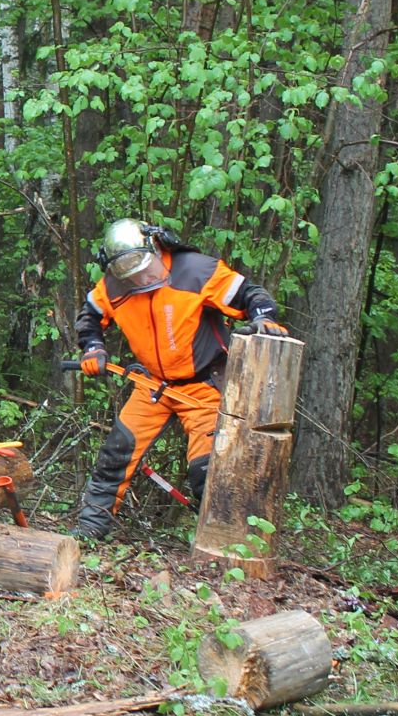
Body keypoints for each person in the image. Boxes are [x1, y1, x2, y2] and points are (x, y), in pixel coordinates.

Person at [69, 218, 286, 540]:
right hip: (153, 385)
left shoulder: (196, 271)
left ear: (156, 247)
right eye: (133, 275)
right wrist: (93, 347)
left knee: (208, 471)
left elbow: (249, 295)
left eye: (145, 270)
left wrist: (263, 318)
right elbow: (90, 316)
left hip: (202, 386)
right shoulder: (113, 285)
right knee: (116, 454)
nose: (142, 279)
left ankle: (224, 541)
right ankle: (90, 529)